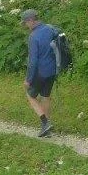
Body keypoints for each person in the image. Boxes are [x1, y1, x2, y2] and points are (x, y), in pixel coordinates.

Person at [20, 9, 58, 137]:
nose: (26, 25)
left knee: (31, 95)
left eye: (25, 22)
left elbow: (33, 61)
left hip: (41, 72)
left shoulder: (33, 36)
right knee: (45, 96)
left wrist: (28, 79)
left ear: (31, 20)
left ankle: (45, 122)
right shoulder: (50, 29)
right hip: (52, 70)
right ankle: (47, 128)